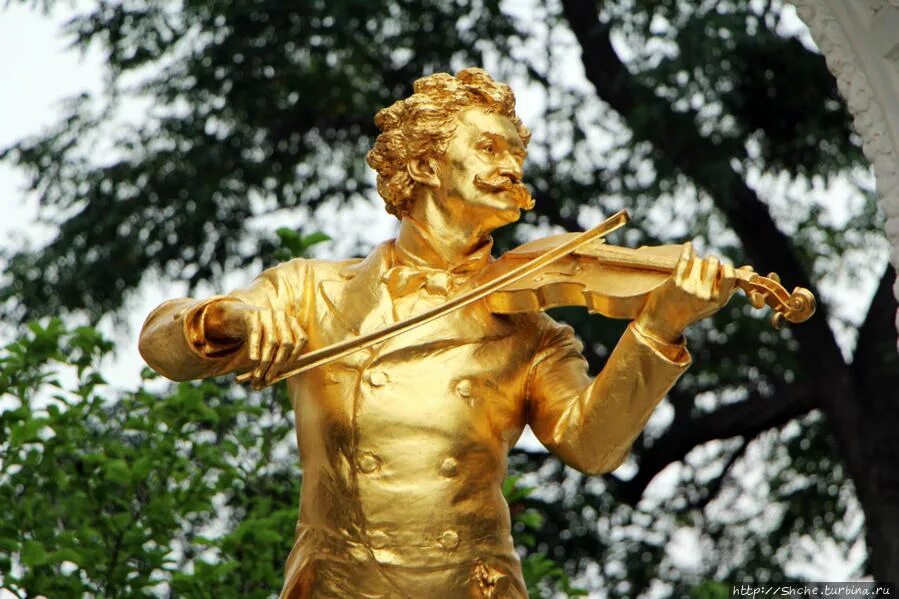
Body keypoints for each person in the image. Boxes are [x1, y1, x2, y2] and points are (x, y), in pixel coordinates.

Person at [139, 68, 735, 598]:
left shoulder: (532, 333)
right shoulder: (311, 292)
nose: (513, 167)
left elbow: (591, 445)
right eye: (489, 148)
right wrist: (224, 319)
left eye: (516, 153)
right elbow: (160, 347)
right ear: (425, 164)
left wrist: (659, 324)